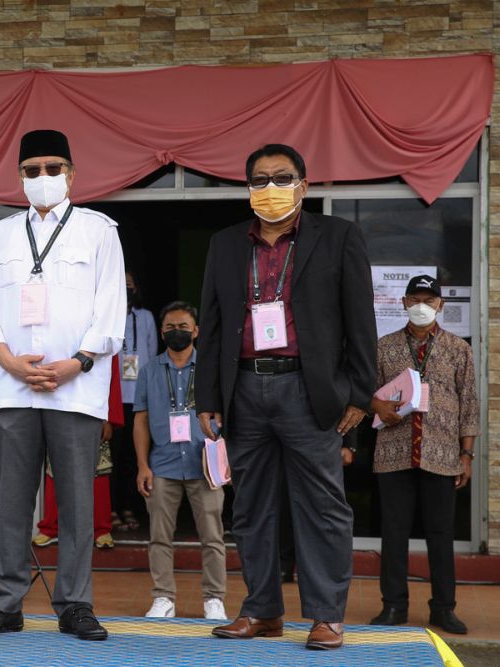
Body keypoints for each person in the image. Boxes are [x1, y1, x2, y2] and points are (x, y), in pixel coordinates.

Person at [196, 144, 377, 651]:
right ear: (247, 187)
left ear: (304, 183)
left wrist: (359, 393)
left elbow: (361, 324)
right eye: (259, 179)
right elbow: (210, 326)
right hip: (245, 389)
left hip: (309, 390)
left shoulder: (338, 237)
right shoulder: (226, 244)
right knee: (250, 506)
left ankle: (325, 616)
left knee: (322, 505)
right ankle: (262, 610)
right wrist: (208, 395)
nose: (270, 187)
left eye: (282, 177)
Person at [0, 129, 125, 641]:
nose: (42, 178)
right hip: (11, 388)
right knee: (12, 501)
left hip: (75, 388)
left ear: (72, 174)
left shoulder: (99, 231)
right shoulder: (0, 235)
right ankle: (5, 603)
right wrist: (10, 361)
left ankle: (75, 605)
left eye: (52, 168)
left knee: (77, 502)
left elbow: (110, 308)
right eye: (31, 170)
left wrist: (76, 362)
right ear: (19, 177)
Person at [369, 275, 478, 635]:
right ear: (403, 302)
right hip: (394, 451)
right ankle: (394, 607)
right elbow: (365, 391)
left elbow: (470, 404)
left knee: (440, 533)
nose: (422, 306)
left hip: (442, 453)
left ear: (440, 306)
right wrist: (376, 404)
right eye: (415, 299)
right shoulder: (383, 347)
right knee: (394, 532)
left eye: (429, 301)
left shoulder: (458, 348)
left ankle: (444, 609)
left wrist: (467, 454)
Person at [134, 301, 226, 621]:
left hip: (205, 464)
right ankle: (163, 598)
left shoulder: (211, 370)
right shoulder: (148, 372)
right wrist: (143, 465)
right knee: (159, 537)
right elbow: (141, 422)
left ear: (196, 331)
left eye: (184, 327)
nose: (177, 332)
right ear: (161, 333)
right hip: (162, 464)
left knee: (213, 537)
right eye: (171, 327)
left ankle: (214, 599)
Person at [33, 354, 123, 550]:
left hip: (92, 413)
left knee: (98, 471)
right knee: (53, 470)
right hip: (56, 407)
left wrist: (108, 419)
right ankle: (50, 527)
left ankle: (101, 529)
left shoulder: (102, 333)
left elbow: (111, 376)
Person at [110, 271, 157, 532]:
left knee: (135, 457)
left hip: (139, 399)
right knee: (113, 457)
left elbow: (150, 356)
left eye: (129, 285)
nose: (126, 289)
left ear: (136, 288)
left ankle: (129, 506)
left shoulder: (146, 317)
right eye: (121, 285)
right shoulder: (108, 316)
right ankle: (112, 507)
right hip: (115, 399)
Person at [278, 431, 357, 583]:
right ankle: (284, 565)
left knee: (321, 509)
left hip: (322, 443)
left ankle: (316, 571)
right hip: (288, 441)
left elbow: (349, 408)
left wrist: (349, 444)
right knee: (285, 503)